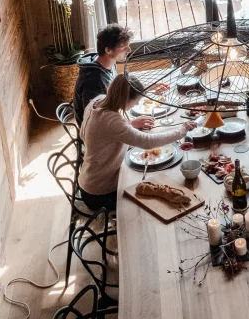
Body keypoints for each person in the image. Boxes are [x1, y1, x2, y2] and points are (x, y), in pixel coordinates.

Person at [79, 74, 188, 212]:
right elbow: (147, 142)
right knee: (150, 206)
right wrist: (181, 131)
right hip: (100, 191)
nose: (135, 106)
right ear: (125, 100)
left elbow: (86, 134)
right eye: (135, 103)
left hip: (87, 180)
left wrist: (128, 124)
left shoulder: (96, 101)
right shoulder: (111, 120)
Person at [74, 24, 140, 126]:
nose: (129, 50)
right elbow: (96, 120)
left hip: (111, 116)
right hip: (95, 134)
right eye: (123, 47)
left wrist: (147, 89)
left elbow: (115, 92)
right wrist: (130, 124)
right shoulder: (93, 80)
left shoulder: (107, 63)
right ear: (108, 50)